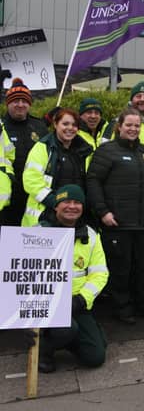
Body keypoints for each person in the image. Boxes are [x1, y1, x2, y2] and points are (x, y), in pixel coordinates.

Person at [87, 109, 144, 324]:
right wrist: (102, 211)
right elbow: (93, 182)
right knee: (121, 269)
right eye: (128, 125)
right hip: (117, 222)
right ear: (119, 126)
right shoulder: (106, 151)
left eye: (137, 126)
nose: (133, 129)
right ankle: (122, 308)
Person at [29, 185, 109, 373]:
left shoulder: (90, 235)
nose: (72, 206)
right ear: (56, 206)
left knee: (95, 357)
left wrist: (81, 300)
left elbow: (100, 273)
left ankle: (76, 336)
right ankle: (45, 350)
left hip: (77, 304)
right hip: (46, 305)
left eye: (77, 202)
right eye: (66, 202)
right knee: (66, 329)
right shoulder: (36, 233)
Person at [22, 109, 93, 227]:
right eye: (65, 124)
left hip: (75, 215)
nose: (70, 128)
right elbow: (31, 181)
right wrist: (54, 202)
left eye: (74, 125)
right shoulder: (42, 147)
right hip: (46, 215)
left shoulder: (85, 151)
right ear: (55, 124)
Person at [0, 77, 48, 225]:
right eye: (16, 101)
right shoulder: (2, 127)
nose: (20, 105)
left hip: (33, 196)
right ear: (8, 103)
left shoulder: (39, 127)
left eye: (24, 101)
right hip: (8, 197)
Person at [104, 81, 144, 146]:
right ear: (131, 101)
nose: (142, 99)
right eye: (138, 96)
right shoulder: (116, 123)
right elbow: (104, 150)